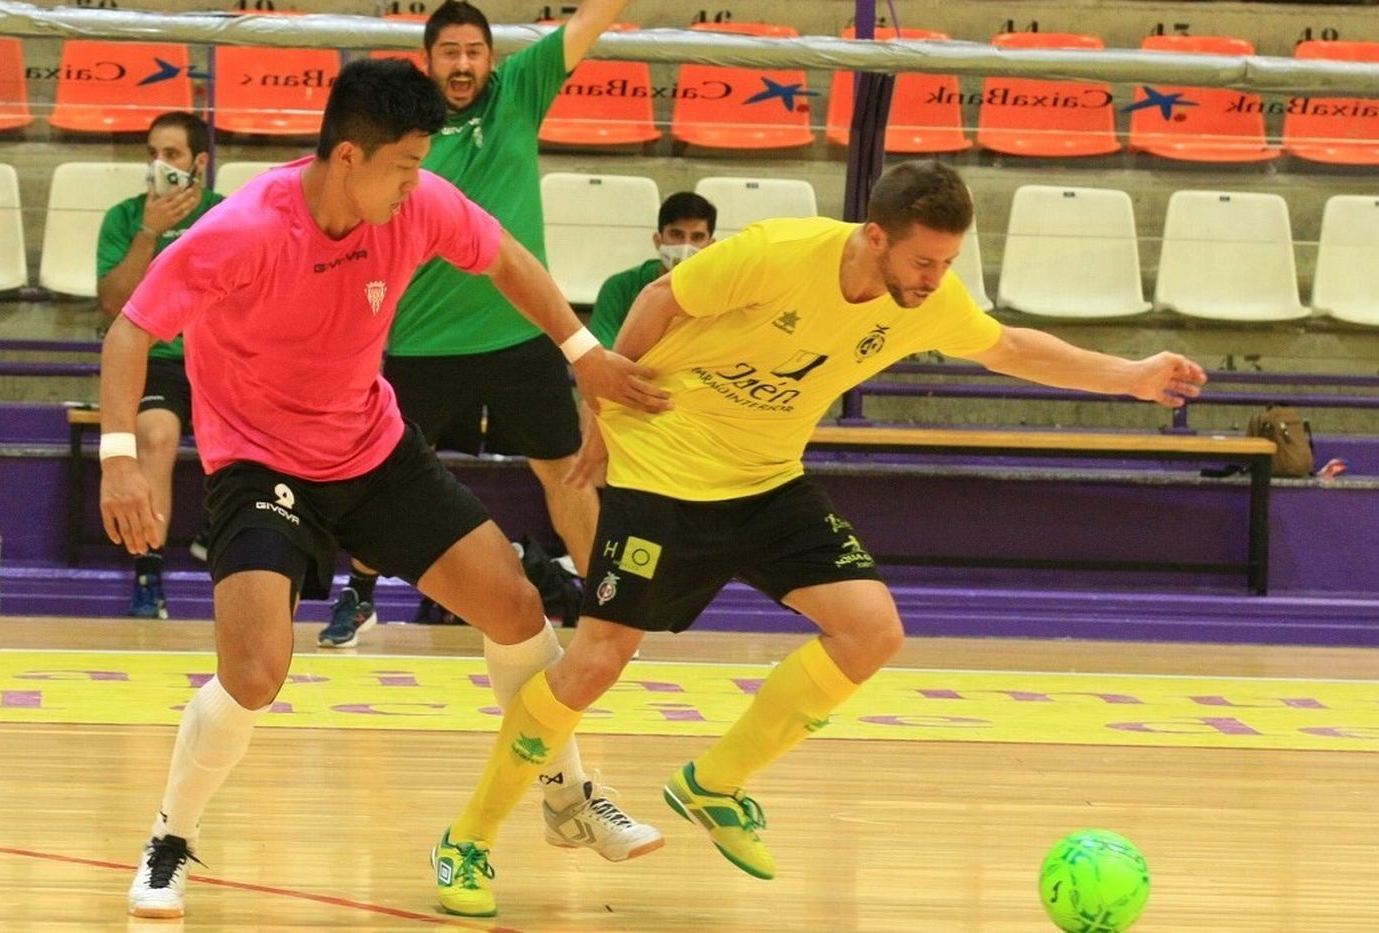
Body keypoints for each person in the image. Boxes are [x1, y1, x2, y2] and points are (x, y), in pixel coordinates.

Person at [431, 160, 1208, 915]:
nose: (935, 278)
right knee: (598, 659)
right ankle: (470, 836)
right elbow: (665, 296)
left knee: (871, 630)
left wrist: (1130, 375)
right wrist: (604, 413)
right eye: (924, 260)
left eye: (947, 262)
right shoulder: (779, 252)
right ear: (876, 236)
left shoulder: (923, 301)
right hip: (663, 466)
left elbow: (1007, 347)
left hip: (765, 479)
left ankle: (715, 782)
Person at [99, 59, 669, 920]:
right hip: (260, 463)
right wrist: (118, 457)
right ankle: (171, 835)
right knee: (254, 674)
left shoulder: (418, 203)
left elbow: (507, 258)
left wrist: (584, 355)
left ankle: (568, 795)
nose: (418, 182)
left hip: (372, 448)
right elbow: (131, 328)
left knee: (517, 607)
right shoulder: (246, 227)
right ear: (347, 158)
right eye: (405, 164)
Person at [319, 0, 633, 650]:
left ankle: (609, 609)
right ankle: (362, 594)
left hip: (521, 336)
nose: (462, 65)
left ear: (492, 59)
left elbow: (592, 19)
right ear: (427, 61)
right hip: (422, 340)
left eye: (473, 52)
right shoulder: (397, 127)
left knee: (566, 469)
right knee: (380, 470)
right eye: (449, 53)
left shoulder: (520, 88)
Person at [96, 111, 225, 619]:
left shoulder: (225, 215)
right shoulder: (125, 218)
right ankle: (148, 573)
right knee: (156, 435)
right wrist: (150, 232)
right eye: (151, 153)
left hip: (220, 358)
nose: (158, 165)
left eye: (171, 155)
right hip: (159, 359)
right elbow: (113, 303)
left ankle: (219, 528)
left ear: (199, 163)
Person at [591, 191, 717, 350]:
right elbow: (603, 357)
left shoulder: (723, 293)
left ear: (711, 246)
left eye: (697, 237)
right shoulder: (619, 287)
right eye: (676, 234)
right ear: (658, 240)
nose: (686, 245)